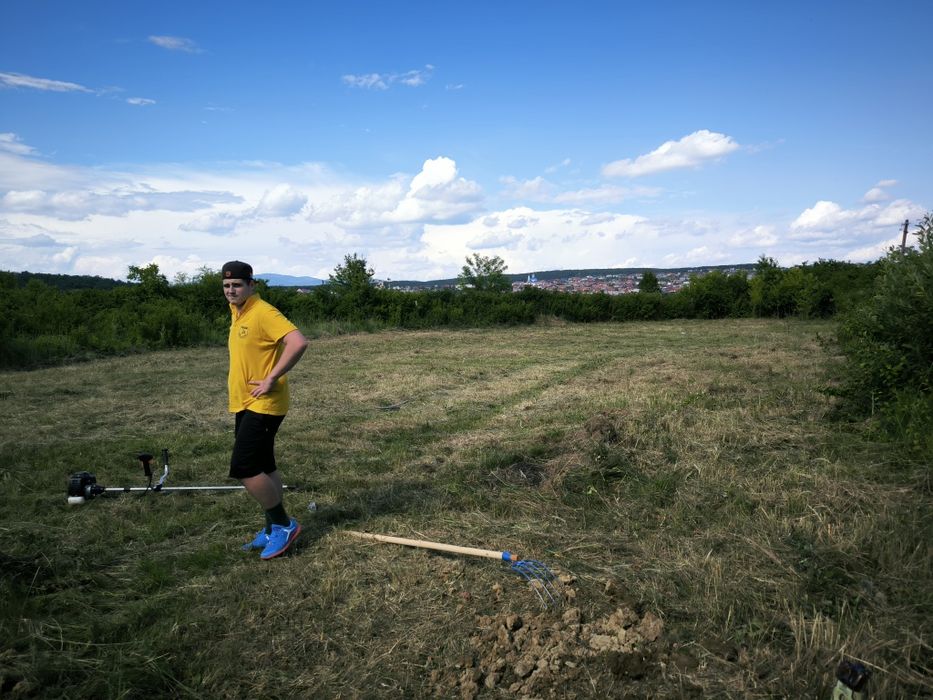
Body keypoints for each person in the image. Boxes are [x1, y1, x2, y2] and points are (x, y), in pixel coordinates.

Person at [222, 260, 308, 560]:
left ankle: (284, 525)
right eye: (227, 286)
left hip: (265, 403)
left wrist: (273, 377)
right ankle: (272, 528)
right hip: (246, 401)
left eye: (237, 285)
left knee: (245, 467)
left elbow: (298, 342)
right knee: (264, 465)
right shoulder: (238, 312)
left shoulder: (263, 312)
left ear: (251, 285)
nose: (231, 290)